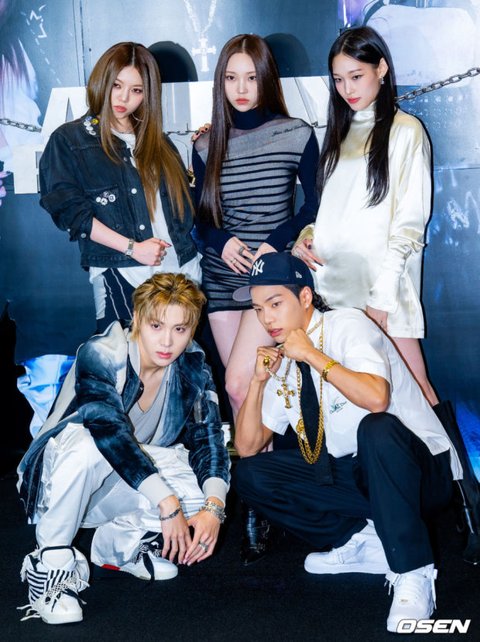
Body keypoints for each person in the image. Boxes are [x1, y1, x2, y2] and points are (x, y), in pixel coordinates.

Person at [233, 252, 462, 633]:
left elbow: (376, 399)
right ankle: (365, 541)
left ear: (305, 297)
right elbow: (247, 447)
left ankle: (414, 571)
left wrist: (312, 355)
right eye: (258, 309)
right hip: (358, 477)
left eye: (275, 304)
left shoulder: (346, 325)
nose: (267, 319)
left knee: (376, 428)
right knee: (251, 475)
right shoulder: (284, 359)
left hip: (421, 473)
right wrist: (257, 383)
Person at [16, 272, 231, 625]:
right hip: (61, 480)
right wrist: (166, 502)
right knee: (89, 443)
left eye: (180, 329)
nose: (167, 341)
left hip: (120, 480)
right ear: (137, 318)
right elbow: (107, 430)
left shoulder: (193, 365)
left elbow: (209, 440)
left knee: (200, 491)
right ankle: (50, 565)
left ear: (192, 330)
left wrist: (214, 508)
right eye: (156, 326)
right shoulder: (102, 352)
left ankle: (119, 545)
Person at [292, 26, 438, 405]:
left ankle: (447, 450)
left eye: (356, 76)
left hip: (382, 291)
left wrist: (383, 297)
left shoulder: (406, 132)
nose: (347, 89)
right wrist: (307, 236)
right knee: (356, 402)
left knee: (415, 393)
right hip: (333, 289)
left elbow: (410, 225)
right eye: (339, 79)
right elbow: (333, 209)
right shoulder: (339, 134)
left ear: (381, 68)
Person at [192, 33, 319, 417]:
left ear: (266, 78)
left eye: (251, 77)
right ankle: (253, 458)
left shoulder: (296, 134)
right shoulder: (205, 144)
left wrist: (275, 242)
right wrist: (220, 241)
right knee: (244, 394)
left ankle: (257, 457)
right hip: (221, 277)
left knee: (239, 382)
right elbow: (199, 219)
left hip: (269, 279)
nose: (241, 89)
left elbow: (315, 206)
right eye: (231, 78)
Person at [38, 42, 201, 333]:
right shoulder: (70, 140)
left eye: (136, 90)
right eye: (117, 85)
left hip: (181, 274)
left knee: (178, 362)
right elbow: (71, 213)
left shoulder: (160, 143)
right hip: (121, 274)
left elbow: (183, 213)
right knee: (121, 359)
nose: (124, 98)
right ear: (102, 80)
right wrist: (132, 249)